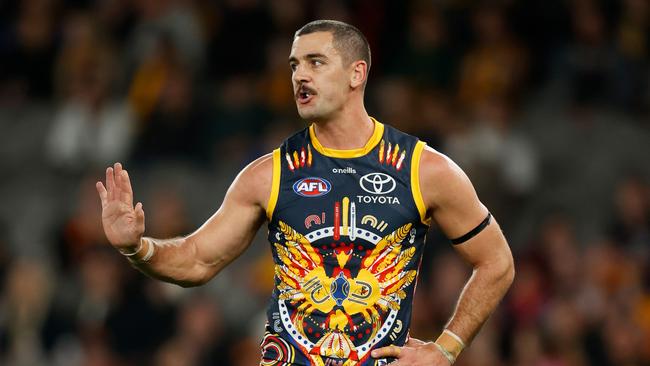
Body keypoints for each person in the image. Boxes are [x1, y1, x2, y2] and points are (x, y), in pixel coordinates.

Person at [96, 20, 515, 366]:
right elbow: (197, 260)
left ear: (357, 74)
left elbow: (497, 262)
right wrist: (137, 248)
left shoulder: (424, 169)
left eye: (316, 62)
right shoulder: (268, 174)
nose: (300, 74)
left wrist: (446, 349)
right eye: (295, 64)